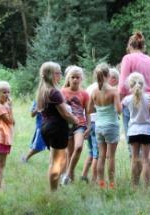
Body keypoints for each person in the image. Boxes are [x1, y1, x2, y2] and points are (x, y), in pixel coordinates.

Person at [37, 62, 78, 191]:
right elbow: (65, 113)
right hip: (57, 128)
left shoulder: (42, 90)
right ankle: (53, 192)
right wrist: (76, 120)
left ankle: (55, 188)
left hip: (46, 126)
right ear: (50, 75)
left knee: (57, 159)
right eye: (57, 73)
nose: (60, 75)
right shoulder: (54, 92)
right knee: (56, 163)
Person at [119, 32, 150, 148]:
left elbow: (122, 86)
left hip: (134, 102)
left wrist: (120, 104)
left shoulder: (128, 58)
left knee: (134, 145)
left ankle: (137, 164)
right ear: (143, 46)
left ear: (130, 46)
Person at [122, 72, 150, 187]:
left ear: (130, 85)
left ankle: (134, 185)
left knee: (134, 159)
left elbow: (119, 109)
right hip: (146, 132)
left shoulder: (126, 100)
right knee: (146, 160)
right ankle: (146, 186)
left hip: (133, 131)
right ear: (143, 84)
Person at [90, 63, 122, 189]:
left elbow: (89, 109)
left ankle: (101, 184)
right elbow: (119, 110)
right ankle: (112, 184)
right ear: (108, 75)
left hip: (99, 126)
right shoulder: (114, 91)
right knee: (111, 157)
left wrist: (100, 109)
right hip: (111, 126)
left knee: (101, 156)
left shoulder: (94, 92)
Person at [60, 66, 90, 185]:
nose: (75, 80)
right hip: (66, 125)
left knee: (78, 148)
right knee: (69, 152)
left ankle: (67, 173)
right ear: (69, 78)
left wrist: (89, 126)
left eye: (77, 77)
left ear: (81, 79)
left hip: (80, 124)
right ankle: (69, 178)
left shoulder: (84, 94)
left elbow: (87, 112)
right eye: (73, 77)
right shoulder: (62, 92)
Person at [0, 81, 14, 189]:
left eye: (8, 92)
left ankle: (1, 183)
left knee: (2, 163)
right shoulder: (0, 107)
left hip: (5, 138)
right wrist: (11, 108)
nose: (7, 95)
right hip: (2, 138)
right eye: (4, 92)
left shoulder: (4, 105)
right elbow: (11, 121)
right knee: (1, 163)